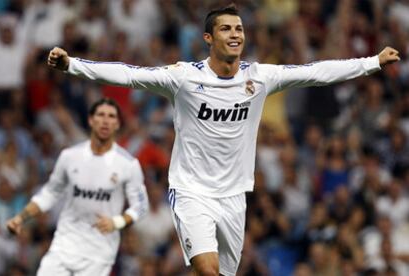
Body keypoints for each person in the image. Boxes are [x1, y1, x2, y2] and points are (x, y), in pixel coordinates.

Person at [47, 4, 400, 276]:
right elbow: (129, 75)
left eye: (239, 29)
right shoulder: (183, 78)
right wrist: (73, 65)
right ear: (208, 38)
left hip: (234, 195)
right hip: (190, 191)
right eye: (226, 28)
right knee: (208, 270)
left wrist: (372, 62)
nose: (235, 34)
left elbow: (317, 73)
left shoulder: (259, 77)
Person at [6, 98, 149, 276]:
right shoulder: (69, 156)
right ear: (90, 120)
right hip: (64, 244)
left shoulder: (128, 164)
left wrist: (117, 222)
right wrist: (21, 217)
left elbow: (141, 206)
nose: (106, 120)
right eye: (101, 115)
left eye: (111, 116)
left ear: (118, 124)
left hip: (99, 251)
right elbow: (50, 193)